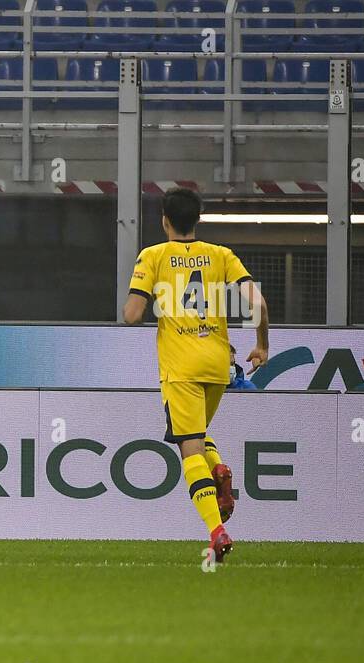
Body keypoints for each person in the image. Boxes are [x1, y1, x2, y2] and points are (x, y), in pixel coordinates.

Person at [123, 187, 269, 562]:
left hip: (181, 368)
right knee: (198, 434)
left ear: (164, 221)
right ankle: (218, 466)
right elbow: (258, 303)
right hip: (218, 364)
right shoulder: (221, 255)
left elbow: (132, 314)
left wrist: (146, 297)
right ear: (198, 219)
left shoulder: (152, 256)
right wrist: (261, 345)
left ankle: (216, 531)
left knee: (188, 449)